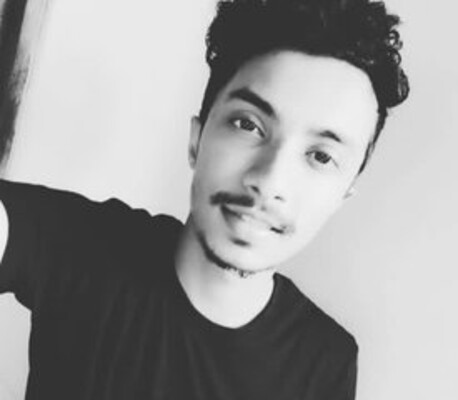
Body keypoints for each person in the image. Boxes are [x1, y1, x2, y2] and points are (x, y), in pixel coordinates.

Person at [0, 0, 409, 398]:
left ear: (341, 198)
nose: (269, 181)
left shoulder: (326, 360)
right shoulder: (85, 246)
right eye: (248, 125)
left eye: (320, 156)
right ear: (197, 140)